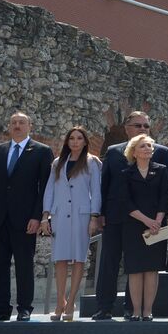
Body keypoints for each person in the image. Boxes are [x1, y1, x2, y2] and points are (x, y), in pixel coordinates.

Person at [94, 111, 168, 320]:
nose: (143, 130)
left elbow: (166, 190)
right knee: (110, 261)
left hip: (149, 222)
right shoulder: (113, 151)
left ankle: (132, 308)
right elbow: (105, 184)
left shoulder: (162, 152)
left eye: (146, 126)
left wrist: (158, 219)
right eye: (138, 126)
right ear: (127, 128)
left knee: (140, 264)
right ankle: (104, 306)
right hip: (116, 217)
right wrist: (99, 214)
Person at [0, 112, 54, 322]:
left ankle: (24, 308)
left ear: (30, 126)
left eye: (22, 122)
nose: (17, 126)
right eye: (14, 123)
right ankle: (1, 309)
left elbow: (45, 188)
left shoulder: (42, 151)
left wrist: (37, 216)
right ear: (9, 127)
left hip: (26, 220)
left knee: (24, 265)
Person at [39, 125, 101, 321]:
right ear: (67, 141)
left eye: (79, 138)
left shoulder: (92, 163)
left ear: (85, 142)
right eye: (72, 138)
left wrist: (94, 217)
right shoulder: (58, 162)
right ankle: (60, 301)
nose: (75, 141)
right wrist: (45, 216)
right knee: (60, 258)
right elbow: (49, 190)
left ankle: (72, 301)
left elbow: (96, 191)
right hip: (60, 216)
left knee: (79, 258)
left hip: (82, 216)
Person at [121, 133, 168, 321]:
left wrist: (157, 221)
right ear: (134, 151)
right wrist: (146, 221)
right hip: (134, 226)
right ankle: (135, 311)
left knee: (151, 269)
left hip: (156, 227)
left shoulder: (161, 170)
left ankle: (148, 311)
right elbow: (126, 202)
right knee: (135, 269)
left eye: (150, 146)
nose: (148, 149)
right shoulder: (126, 173)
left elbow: (164, 198)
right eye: (143, 146)